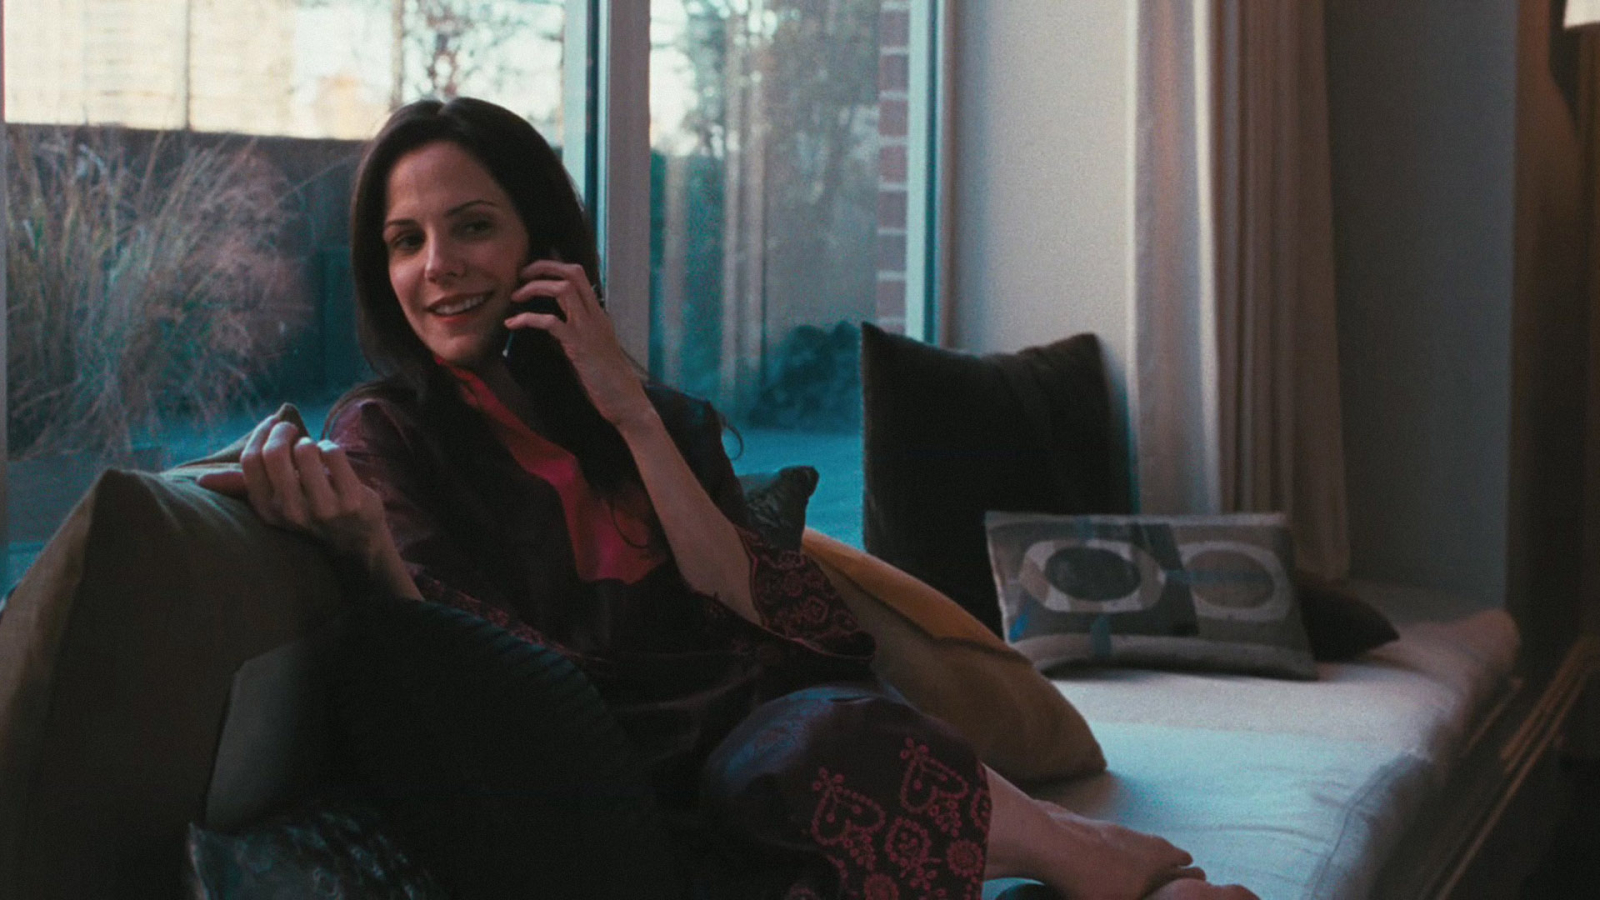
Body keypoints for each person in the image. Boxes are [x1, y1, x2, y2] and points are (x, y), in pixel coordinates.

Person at [201, 96, 1255, 900]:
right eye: (405, 240)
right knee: (805, 757)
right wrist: (365, 548)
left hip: (767, 750)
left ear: (540, 246)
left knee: (814, 739)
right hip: (621, 782)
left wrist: (629, 411)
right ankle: (1063, 850)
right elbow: (461, 672)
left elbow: (769, 605)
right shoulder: (385, 434)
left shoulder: (647, 417)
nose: (439, 267)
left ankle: (1063, 850)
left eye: (472, 226)